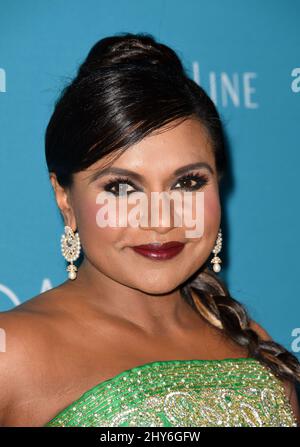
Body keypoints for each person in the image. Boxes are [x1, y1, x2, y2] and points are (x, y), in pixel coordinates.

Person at [0, 32, 299, 427]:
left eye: (188, 183)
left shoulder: (251, 345)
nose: (161, 219)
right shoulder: (13, 353)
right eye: (122, 188)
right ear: (65, 199)